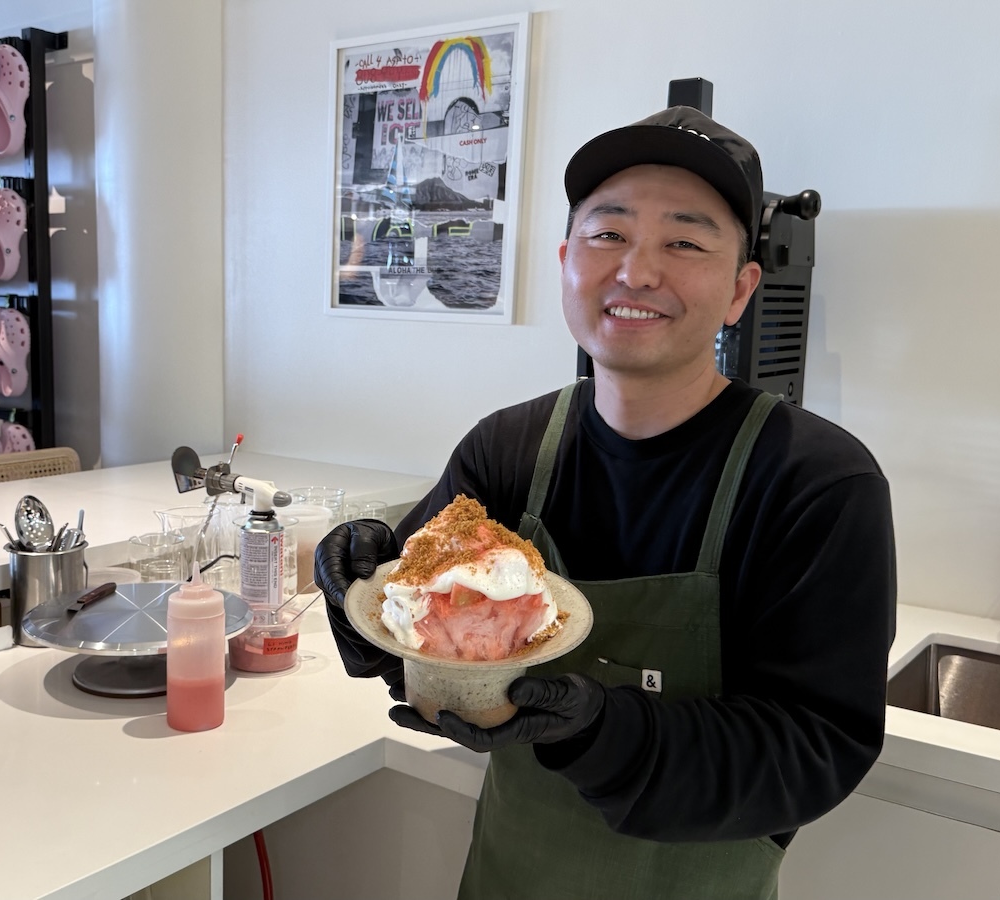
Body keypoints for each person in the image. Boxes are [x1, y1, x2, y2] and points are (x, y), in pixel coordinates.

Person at [318, 106, 897, 900]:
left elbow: (815, 745)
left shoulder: (814, 482)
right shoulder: (506, 451)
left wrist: (601, 728)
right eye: (608, 234)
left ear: (741, 289)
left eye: (686, 242)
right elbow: (405, 643)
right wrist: (357, 582)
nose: (637, 272)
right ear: (565, 262)